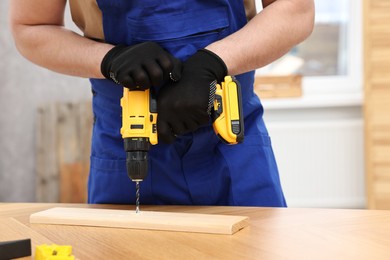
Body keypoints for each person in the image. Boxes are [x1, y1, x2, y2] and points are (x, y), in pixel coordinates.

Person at [10, 0, 314, 206]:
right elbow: (32, 27)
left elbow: (296, 9)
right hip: (126, 145)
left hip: (232, 142)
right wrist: (109, 60)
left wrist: (214, 62)